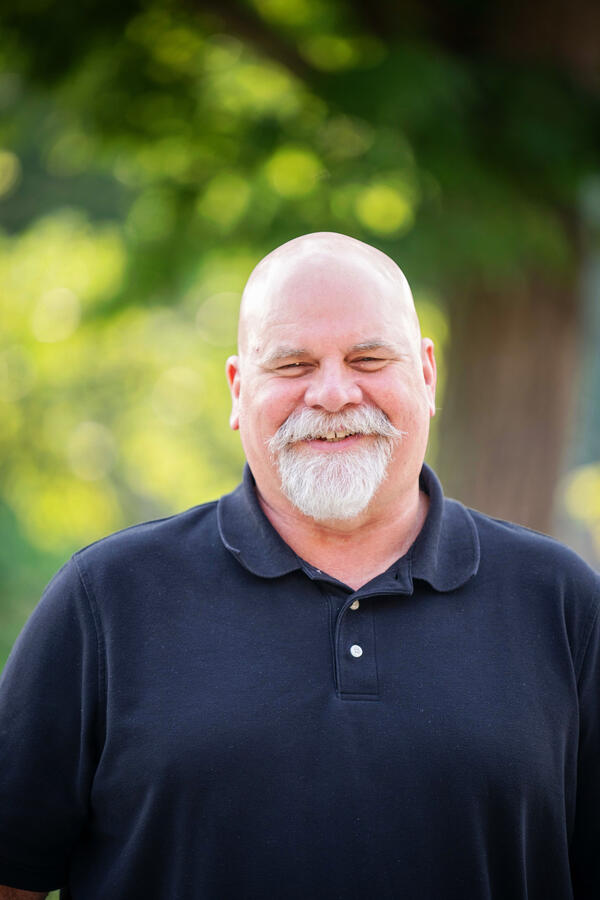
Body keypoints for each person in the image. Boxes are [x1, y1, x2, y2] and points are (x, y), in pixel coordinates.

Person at [0, 232, 598, 900]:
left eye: (369, 358)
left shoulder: (562, 602)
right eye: (293, 366)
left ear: (427, 375)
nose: (335, 394)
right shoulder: (106, 600)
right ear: (237, 388)